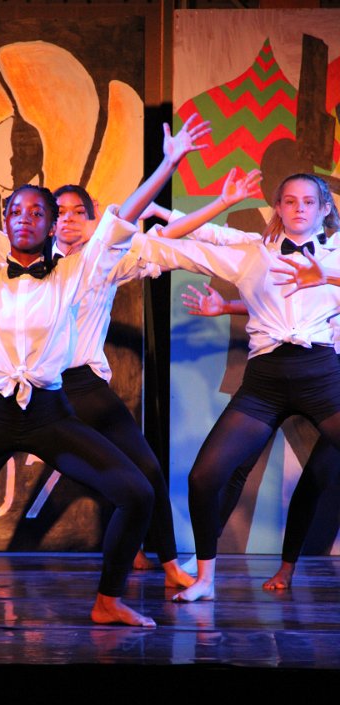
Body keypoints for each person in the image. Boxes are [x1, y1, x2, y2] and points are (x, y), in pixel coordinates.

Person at [0, 99, 208, 627]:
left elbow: (118, 223)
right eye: (17, 212)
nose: (26, 219)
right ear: (6, 221)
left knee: (138, 492)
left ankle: (108, 601)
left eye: (38, 213)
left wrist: (167, 165)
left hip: (50, 415)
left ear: (51, 226)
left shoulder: (73, 274)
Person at [118, 171, 340, 602]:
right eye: (290, 201)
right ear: (278, 208)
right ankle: (205, 578)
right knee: (205, 476)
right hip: (265, 383)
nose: (299, 208)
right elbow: (191, 246)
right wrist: (124, 231)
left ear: (324, 209)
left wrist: (326, 278)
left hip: (321, 378)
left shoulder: (334, 255)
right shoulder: (251, 254)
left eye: (308, 202)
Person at [181, 281, 340, 590]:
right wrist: (227, 306)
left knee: (316, 476)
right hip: (285, 373)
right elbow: (277, 301)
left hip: (326, 380)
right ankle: (206, 555)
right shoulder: (311, 262)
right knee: (235, 467)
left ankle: (286, 568)